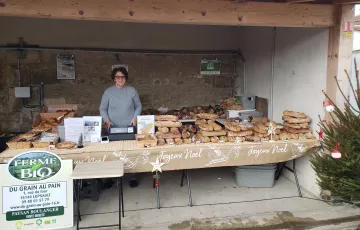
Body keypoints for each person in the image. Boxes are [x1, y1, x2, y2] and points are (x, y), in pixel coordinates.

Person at [100, 67, 142, 188]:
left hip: (129, 126)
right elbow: (102, 108)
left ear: (126, 78)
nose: (120, 79)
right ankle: (111, 177)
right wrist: (107, 121)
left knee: (130, 152)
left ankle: (132, 176)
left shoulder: (132, 90)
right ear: (114, 78)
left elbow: (138, 106)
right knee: (113, 153)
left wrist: (135, 118)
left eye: (122, 76)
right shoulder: (108, 92)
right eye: (118, 77)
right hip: (113, 127)